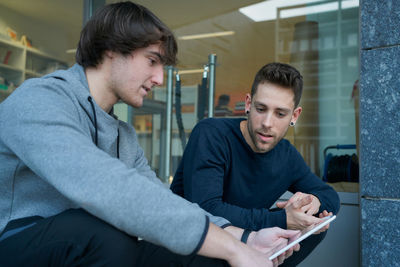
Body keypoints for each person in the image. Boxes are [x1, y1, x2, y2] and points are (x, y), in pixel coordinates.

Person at [0, 3, 303, 267]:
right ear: (112, 49)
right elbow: (108, 189)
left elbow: (160, 201)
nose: (159, 78)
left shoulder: (123, 135)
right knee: (105, 235)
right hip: (13, 241)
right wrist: (233, 248)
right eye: (152, 60)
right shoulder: (40, 99)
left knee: (190, 252)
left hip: (77, 241)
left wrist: (245, 239)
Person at [171, 62, 341, 266]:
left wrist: (312, 202)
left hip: (245, 243)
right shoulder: (212, 134)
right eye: (261, 109)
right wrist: (282, 219)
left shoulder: (286, 155)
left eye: (280, 114)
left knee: (311, 228)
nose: (267, 123)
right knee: (288, 224)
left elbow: (330, 197)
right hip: (190, 246)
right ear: (248, 104)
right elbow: (207, 209)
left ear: (294, 116)